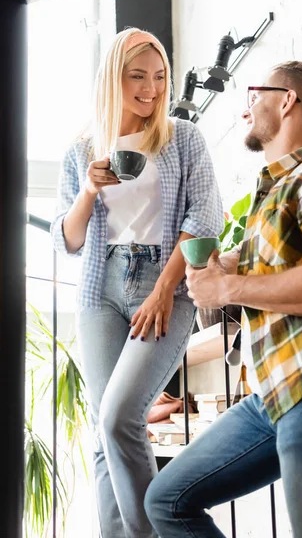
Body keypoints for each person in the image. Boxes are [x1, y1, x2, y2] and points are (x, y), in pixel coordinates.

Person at [144, 61, 302, 538]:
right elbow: (251, 266)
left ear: (286, 100)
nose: (245, 108)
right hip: (277, 390)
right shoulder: (274, 195)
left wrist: (227, 286)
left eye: (252, 93)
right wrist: (218, 267)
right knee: (168, 498)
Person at [51, 27, 224, 538]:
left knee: (121, 416)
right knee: (105, 438)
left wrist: (163, 289)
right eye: (137, 77)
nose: (150, 88)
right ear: (113, 79)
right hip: (98, 290)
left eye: (159, 76)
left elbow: (206, 218)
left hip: (162, 281)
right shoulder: (81, 150)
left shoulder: (181, 137)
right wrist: (87, 190)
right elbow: (68, 241)